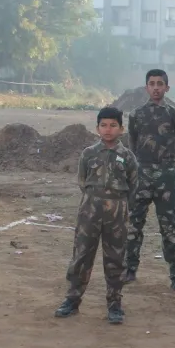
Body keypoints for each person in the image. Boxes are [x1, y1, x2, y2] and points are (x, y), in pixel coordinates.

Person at [55, 107, 138, 324]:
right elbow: (82, 181)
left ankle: (114, 304)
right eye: (103, 125)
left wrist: (115, 202)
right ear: (97, 128)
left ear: (121, 128)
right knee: (82, 256)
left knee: (115, 258)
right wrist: (96, 200)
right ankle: (72, 300)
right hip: (89, 210)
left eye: (113, 125)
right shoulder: (88, 153)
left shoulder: (127, 156)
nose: (108, 129)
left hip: (117, 213)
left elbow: (133, 185)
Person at [124, 69, 175, 289]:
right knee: (133, 224)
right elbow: (132, 144)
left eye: (160, 84)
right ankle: (129, 269)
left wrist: (166, 165)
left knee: (170, 226)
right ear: (146, 87)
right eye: (152, 84)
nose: (156, 88)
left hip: (167, 176)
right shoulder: (136, 115)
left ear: (167, 88)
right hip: (141, 175)